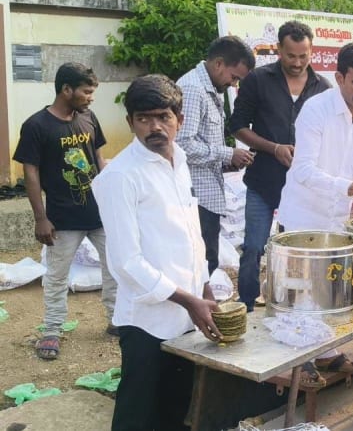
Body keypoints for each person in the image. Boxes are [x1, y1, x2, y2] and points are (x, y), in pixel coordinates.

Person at [92, 74, 221, 431]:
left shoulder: (178, 160)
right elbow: (126, 261)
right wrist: (189, 300)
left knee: (176, 407)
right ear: (130, 122)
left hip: (184, 315)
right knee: (138, 414)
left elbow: (190, 235)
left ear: (179, 119)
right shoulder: (120, 177)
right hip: (147, 322)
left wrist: (204, 288)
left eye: (163, 116)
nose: (155, 127)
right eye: (144, 118)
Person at [277, 42, 353, 387]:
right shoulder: (316, 110)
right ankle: (300, 365)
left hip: (340, 220)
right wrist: (346, 186)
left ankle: (328, 355)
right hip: (304, 217)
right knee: (300, 293)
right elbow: (303, 169)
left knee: (331, 292)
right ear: (339, 78)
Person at [13, 62, 117, 360]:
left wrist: (110, 197)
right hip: (62, 217)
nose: (91, 97)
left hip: (99, 213)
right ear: (66, 89)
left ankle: (115, 320)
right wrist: (40, 218)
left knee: (114, 268)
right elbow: (30, 174)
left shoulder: (88, 117)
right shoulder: (36, 126)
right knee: (57, 275)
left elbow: (98, 158)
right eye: (86, 91)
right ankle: (52, 329)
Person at [230, 20, 332, 312]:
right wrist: (273, 148)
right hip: (263, 180)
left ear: (312, 52)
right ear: (278, 50)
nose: (298, 63)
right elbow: (237, 126)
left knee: (297, 253)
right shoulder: (258, 80)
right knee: (253, 248)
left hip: (302, 189)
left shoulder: (323, 88)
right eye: (291, 56)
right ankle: (246, 307)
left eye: (304, 56)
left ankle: (292, 307)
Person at [176, 36, 255, 276]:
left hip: (207, 193)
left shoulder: (211, 88)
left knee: (207, 261)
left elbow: (202, 141)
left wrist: (228, 160)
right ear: (219, 63)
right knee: (198, 264)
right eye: (234, 77)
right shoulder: (192, 89)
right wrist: (227, 153)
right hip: (195, 196)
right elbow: (182, 144)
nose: (233, 84)